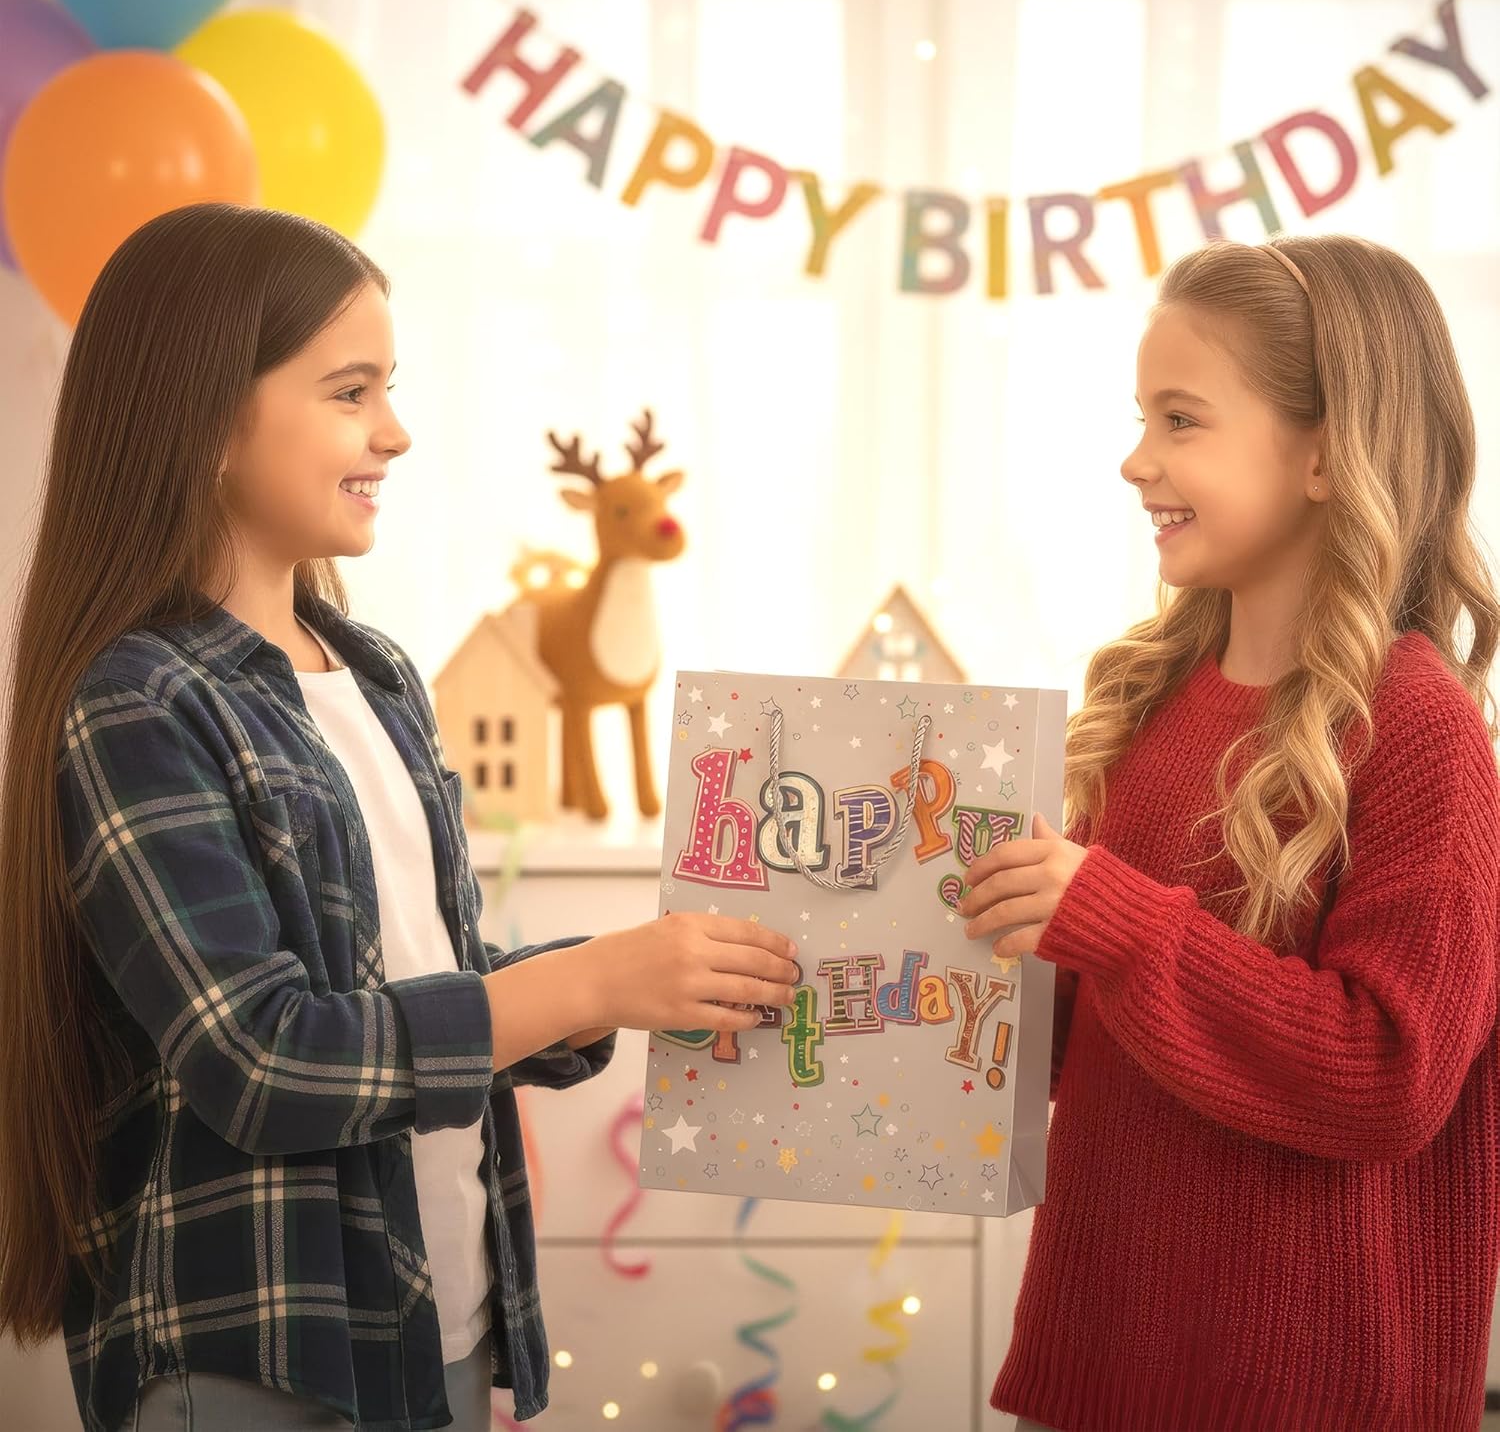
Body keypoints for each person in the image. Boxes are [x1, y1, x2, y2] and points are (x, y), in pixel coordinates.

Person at [0, 202, 799, 1432]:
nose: (396, 431)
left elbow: (418, 981)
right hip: (258, 1354)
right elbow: (262, 1057)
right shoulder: (136, 701)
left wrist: (653, 978)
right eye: (349, 391)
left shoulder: (371, 672)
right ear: (209, 415)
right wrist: (591, 983)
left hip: (432, 1310)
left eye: (391, 387)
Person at [961, 235, 1500, 1431]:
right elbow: (1097, 1039)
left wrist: (1103, 915)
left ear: (1322, 451)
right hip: (1098, 1364)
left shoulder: (1419, 730)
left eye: (1181, 420)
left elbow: (1389, 1077)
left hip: (1306, 1394)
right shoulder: (1151, 700)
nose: (1134, 459)